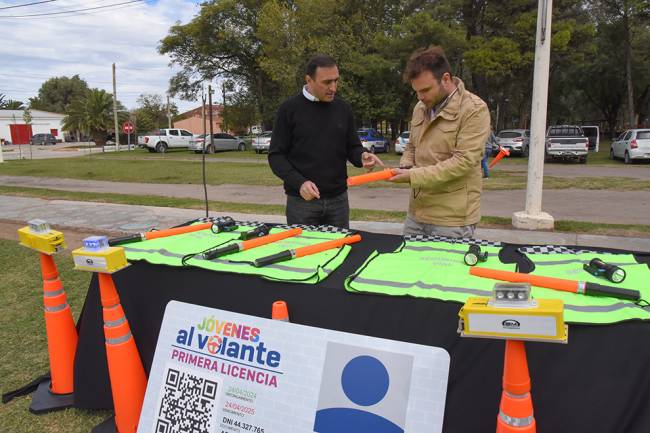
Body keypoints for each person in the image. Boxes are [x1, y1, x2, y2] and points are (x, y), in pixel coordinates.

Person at [269, 54, 383, 228]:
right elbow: (276, 156)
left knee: (340, 252)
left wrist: (362, 156)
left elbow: (352, 147)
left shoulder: (343, 109)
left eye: (336, 81)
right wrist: (300, 183)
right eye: (327, 82)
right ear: (309, 80)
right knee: (305, 254)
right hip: (302, 203)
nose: (333, 88)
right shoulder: (289, 109)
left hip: (338, 201)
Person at [389, 46, 491, 238]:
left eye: (425, 90)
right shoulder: (420, 108)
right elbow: (411, 145)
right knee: (407, 266)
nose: (420, 97)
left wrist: (413, 176)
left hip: (452, 218)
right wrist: (406, 163)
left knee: (444, 268)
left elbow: (463, 162)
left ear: (446, 79)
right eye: (417, 91)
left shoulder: (474, 109)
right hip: (417, 213)